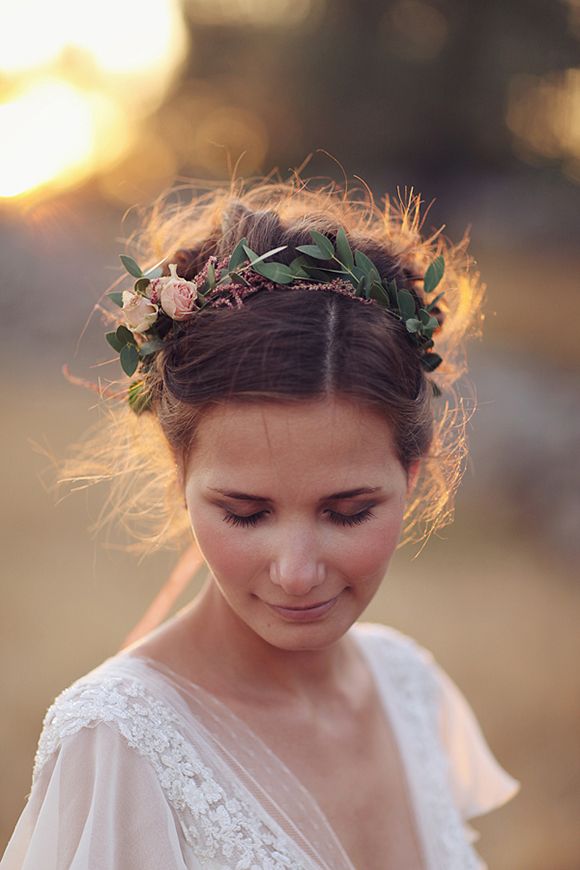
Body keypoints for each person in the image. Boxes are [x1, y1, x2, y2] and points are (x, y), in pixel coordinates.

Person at [1, 179, 520, 869]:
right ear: (180, 477)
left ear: (413, 477)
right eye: (246, 514)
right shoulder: (118, 743)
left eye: (348, 512)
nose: (297, 572)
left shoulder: (410, 689)